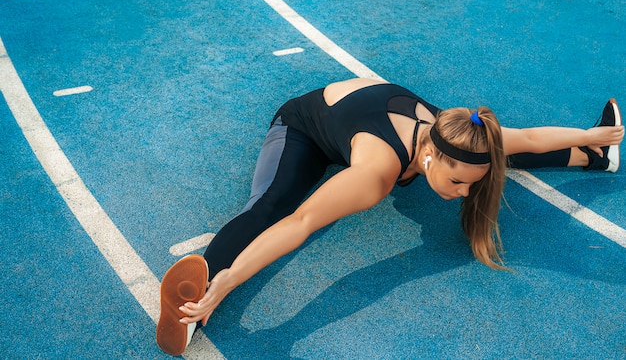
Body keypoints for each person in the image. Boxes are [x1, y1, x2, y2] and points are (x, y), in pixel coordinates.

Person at [155, 78, 623, 356]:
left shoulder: (456, 133)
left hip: (374, 124)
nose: (464, 194)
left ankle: (594, 157)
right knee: (269, 206)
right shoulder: (375, 175)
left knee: (495, 155)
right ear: (430, 159)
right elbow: (300, 223)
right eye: (457, 183)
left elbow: (530, 138)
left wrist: (590, 134)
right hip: (305, 127)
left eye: (467, 187)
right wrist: (230, 279)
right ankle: (201, 296)